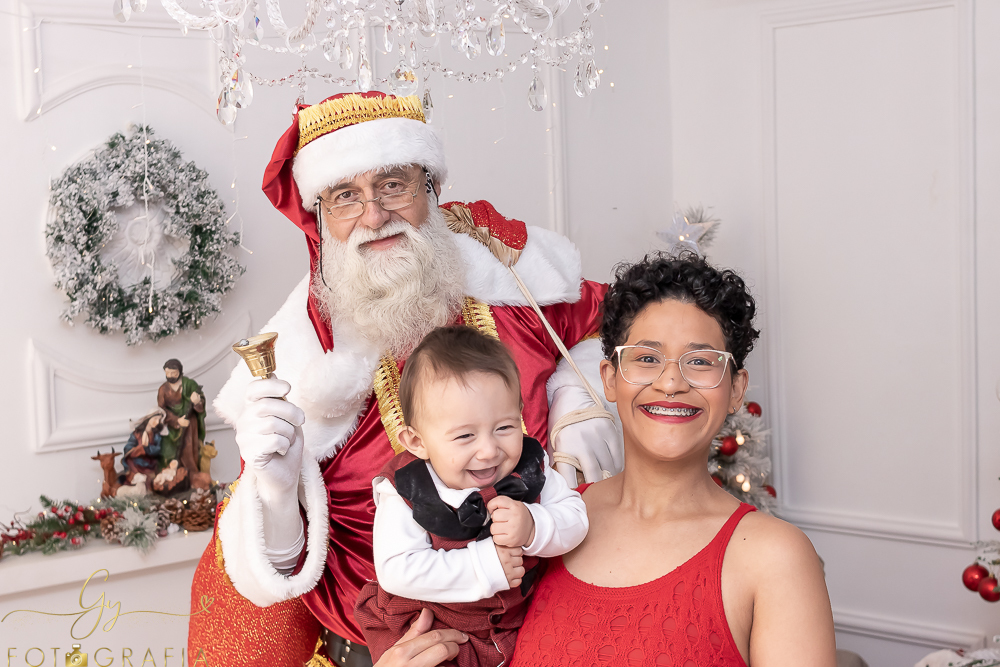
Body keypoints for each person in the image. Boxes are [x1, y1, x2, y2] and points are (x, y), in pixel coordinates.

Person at [188, 91, 621, 667]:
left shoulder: (514, 293)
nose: (374, 215)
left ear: (430, 190)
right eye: (346, 196)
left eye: (394, 184)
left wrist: (580, 406)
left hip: (552, 637)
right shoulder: (298, 364)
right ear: (321, 217)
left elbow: (614, 323)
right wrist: (272, 490)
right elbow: (277, 575)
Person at [509, 253, 837, 666]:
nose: (670, 382)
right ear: (610, 378)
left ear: (736, 388)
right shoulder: (550, 521)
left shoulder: (775, 558)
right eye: (647, 358)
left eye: (700, 362)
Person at [354, 326, 589, 667]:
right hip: (432, 624)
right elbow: (397, 570)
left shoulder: (529, 467)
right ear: (417, 442)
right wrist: (484, 564)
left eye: (504, 428)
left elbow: (576, 518)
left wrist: (534, 526)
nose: (489, 450)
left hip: (513, 621)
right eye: (465, 436)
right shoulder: (405, 490)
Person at [157, 358, 206, 477]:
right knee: (170, 451)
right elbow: (161, 410)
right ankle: (173, 477)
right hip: (171, 425)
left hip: (189, 424)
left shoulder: (189, 384)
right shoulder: (163, 389)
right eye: (167, 373)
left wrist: (197, 401)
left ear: (179, 372)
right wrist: (176, 420)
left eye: (173, 373)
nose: (170, 376)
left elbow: (201, 402)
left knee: (189, 449)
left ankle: (192, 476)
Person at [122, 409, 165, 489]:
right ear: (149, 419)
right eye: (155, 419)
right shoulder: (137, 433)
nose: (157, 422)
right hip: (136, 462)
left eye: (159, 420)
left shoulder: (156, 435)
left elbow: (158, 449)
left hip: (149, 463)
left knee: (150, 480)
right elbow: (128, 446)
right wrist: (134, 450)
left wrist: (146, 450)